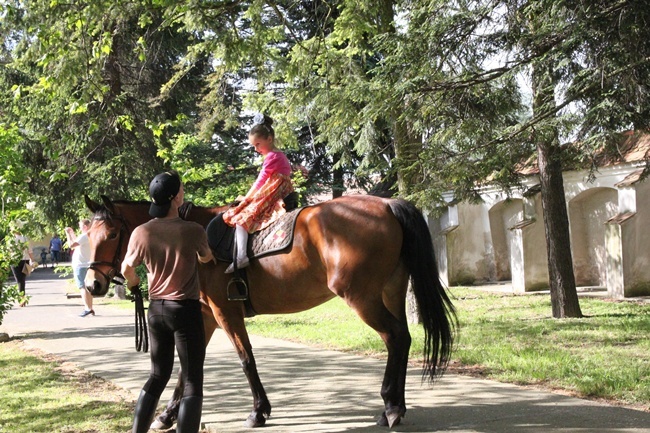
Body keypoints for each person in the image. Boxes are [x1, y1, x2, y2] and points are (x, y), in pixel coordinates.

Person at [121, 171, 214, 433]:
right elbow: (207, 258)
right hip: (185, 310)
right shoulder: (193, 230)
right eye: (181, 190)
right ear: (175, 198)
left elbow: (127, 268)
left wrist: (134, 284)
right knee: (193, 379)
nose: (183, 193)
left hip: (156, 311)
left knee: (157, 375)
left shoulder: (142, 232)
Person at [222, 113, 294, 273]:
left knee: (242, 218)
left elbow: (261, 181)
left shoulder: (273, 157)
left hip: (273, 191)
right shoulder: (278, 155)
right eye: (254, 146)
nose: (256, 149)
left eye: (258, 144)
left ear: (269, 139)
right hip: (277, 189)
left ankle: (241, 256)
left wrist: (246, 198)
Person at [65, 219, 93, 317]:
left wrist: (68, 234)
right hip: (87, 264)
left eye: (80, 225)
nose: (79, 227)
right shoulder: (89, 235)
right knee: (88, 288)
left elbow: (71, 245)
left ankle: (87, 308)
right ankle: (90, 307)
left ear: (85, 226)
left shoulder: (84, 235)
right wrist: (72, 233)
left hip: (81, 265)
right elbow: (77, 243)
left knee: (82, 287)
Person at [10, 230, 36, 307]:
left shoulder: (11, 239)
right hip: (25, 261)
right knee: (22, 280)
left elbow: (9, 251)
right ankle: (23, 298)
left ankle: (22, 299)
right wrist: (33, 260)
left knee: (19, 280)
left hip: (15, 261)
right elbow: (30, 250)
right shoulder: (25, 238)